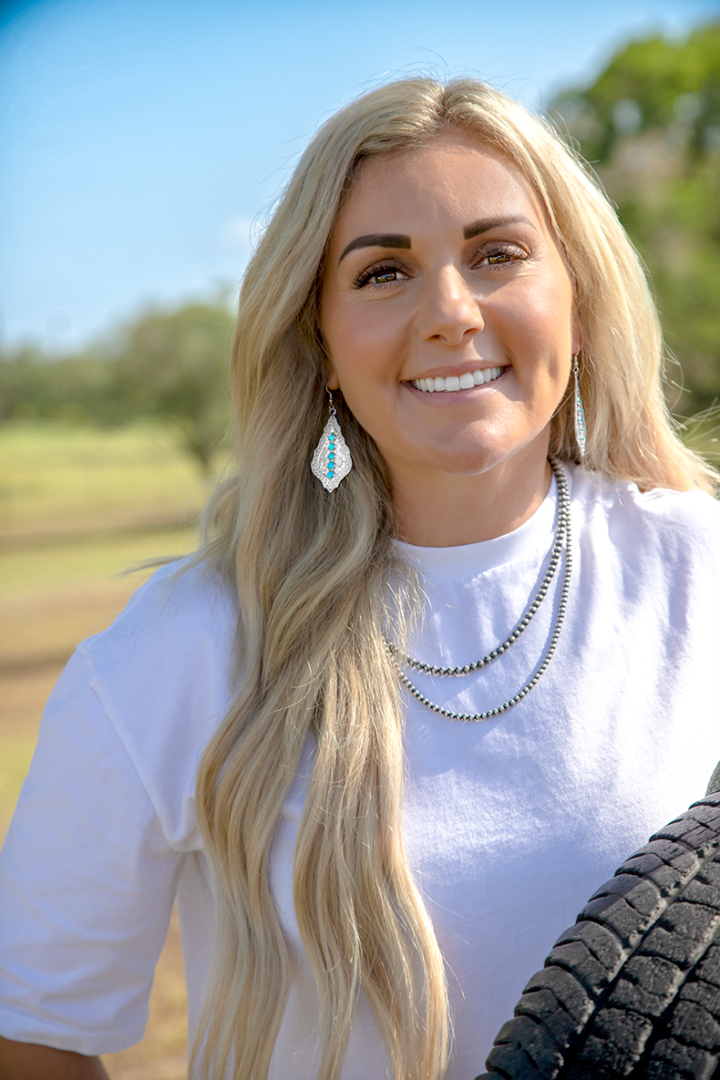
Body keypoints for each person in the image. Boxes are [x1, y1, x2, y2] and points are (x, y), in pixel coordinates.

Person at [1, 76, 719, 1080]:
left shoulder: (702, 573)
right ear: (322, 346)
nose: (451, 312)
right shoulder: (176, 653)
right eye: (383, 273)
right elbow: (36, 1034)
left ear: (582, 301)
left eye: (498, 253)